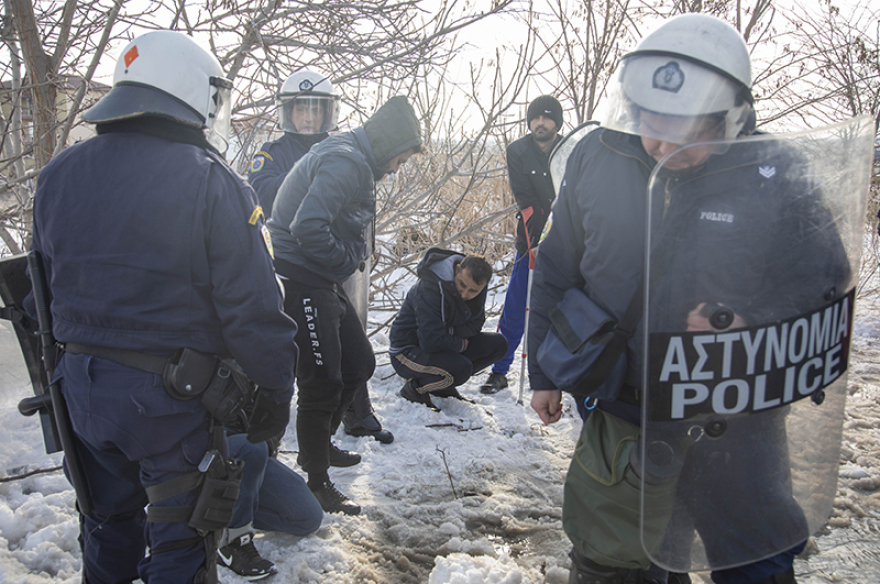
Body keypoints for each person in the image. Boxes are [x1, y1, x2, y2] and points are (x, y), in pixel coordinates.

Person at [527, 14, 850, 584]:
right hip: (627, 407)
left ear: (730, 117)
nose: (664, 143)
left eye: (687, 128)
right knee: (621, 561)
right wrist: (543, 371)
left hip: (735, 409)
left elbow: (823, 279)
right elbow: (555, 269)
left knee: (756, 561)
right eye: (653, 122)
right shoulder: (596, 157)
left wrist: (750, 323)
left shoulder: (773, 172)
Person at [27, 31, 297, 583]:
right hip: (169, 402)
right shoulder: (210, 180)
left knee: (106, 529)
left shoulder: (58, 173)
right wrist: (274, 390)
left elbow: (41, 289)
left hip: (80, 392)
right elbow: (252, 306)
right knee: (182, 545)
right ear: (191, 93)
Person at [266, 95, 422, 515]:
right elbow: (307, 227)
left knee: (359, 364)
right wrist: (347, 260)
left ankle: (319, 444)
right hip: (300, 275)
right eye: (399, 161)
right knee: (322, 381)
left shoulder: (355, 156)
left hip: (319, 275)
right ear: (388, 146)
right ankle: (316, 482)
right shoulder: (347, 162)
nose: (395, 170)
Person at [248, 69, 393, 444]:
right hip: (296, 263)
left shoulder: (345, 147)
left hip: (343, 257)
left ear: (328, 112)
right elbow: (264, 192)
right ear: (288, 112)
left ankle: (355, 410)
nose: (309, 117)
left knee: (353, 335)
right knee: (306, 342)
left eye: (316, 109)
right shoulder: (273, 154)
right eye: (301, 109)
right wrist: (320, 183)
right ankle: (282, 420)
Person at [480, 95, 563, 395]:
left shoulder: (568, 151)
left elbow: (571, 200)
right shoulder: (518, 151)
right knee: (517, 307)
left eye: (547, 117)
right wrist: (535, 245)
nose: (540, 122)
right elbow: (525, 202)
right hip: (529, 241)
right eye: (535, 117)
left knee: (566, 310)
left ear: (557, 122)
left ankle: (563, 375)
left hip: (565, 244)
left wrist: (557, 240)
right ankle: (500, 370)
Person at [389, 249, 508, 410]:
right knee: (461, 368)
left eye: (473, 291)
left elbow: (476, 324)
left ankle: (442, 383)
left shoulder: (477, 285)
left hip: (440, 345)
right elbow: (430, 341)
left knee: (499, 344)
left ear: (483, 286)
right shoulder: (429, 287)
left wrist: (448, 335)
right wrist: (459, 343)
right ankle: (416, 388)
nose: (465, 293)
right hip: (407, 352)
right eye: (462, 285)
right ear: (457, 269)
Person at [218, 434, 323, 579]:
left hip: (251, 453)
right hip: (203, 448)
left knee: (307, 517)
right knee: (252, 446)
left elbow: (273, 427)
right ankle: (233, 541)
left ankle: (228, 512)